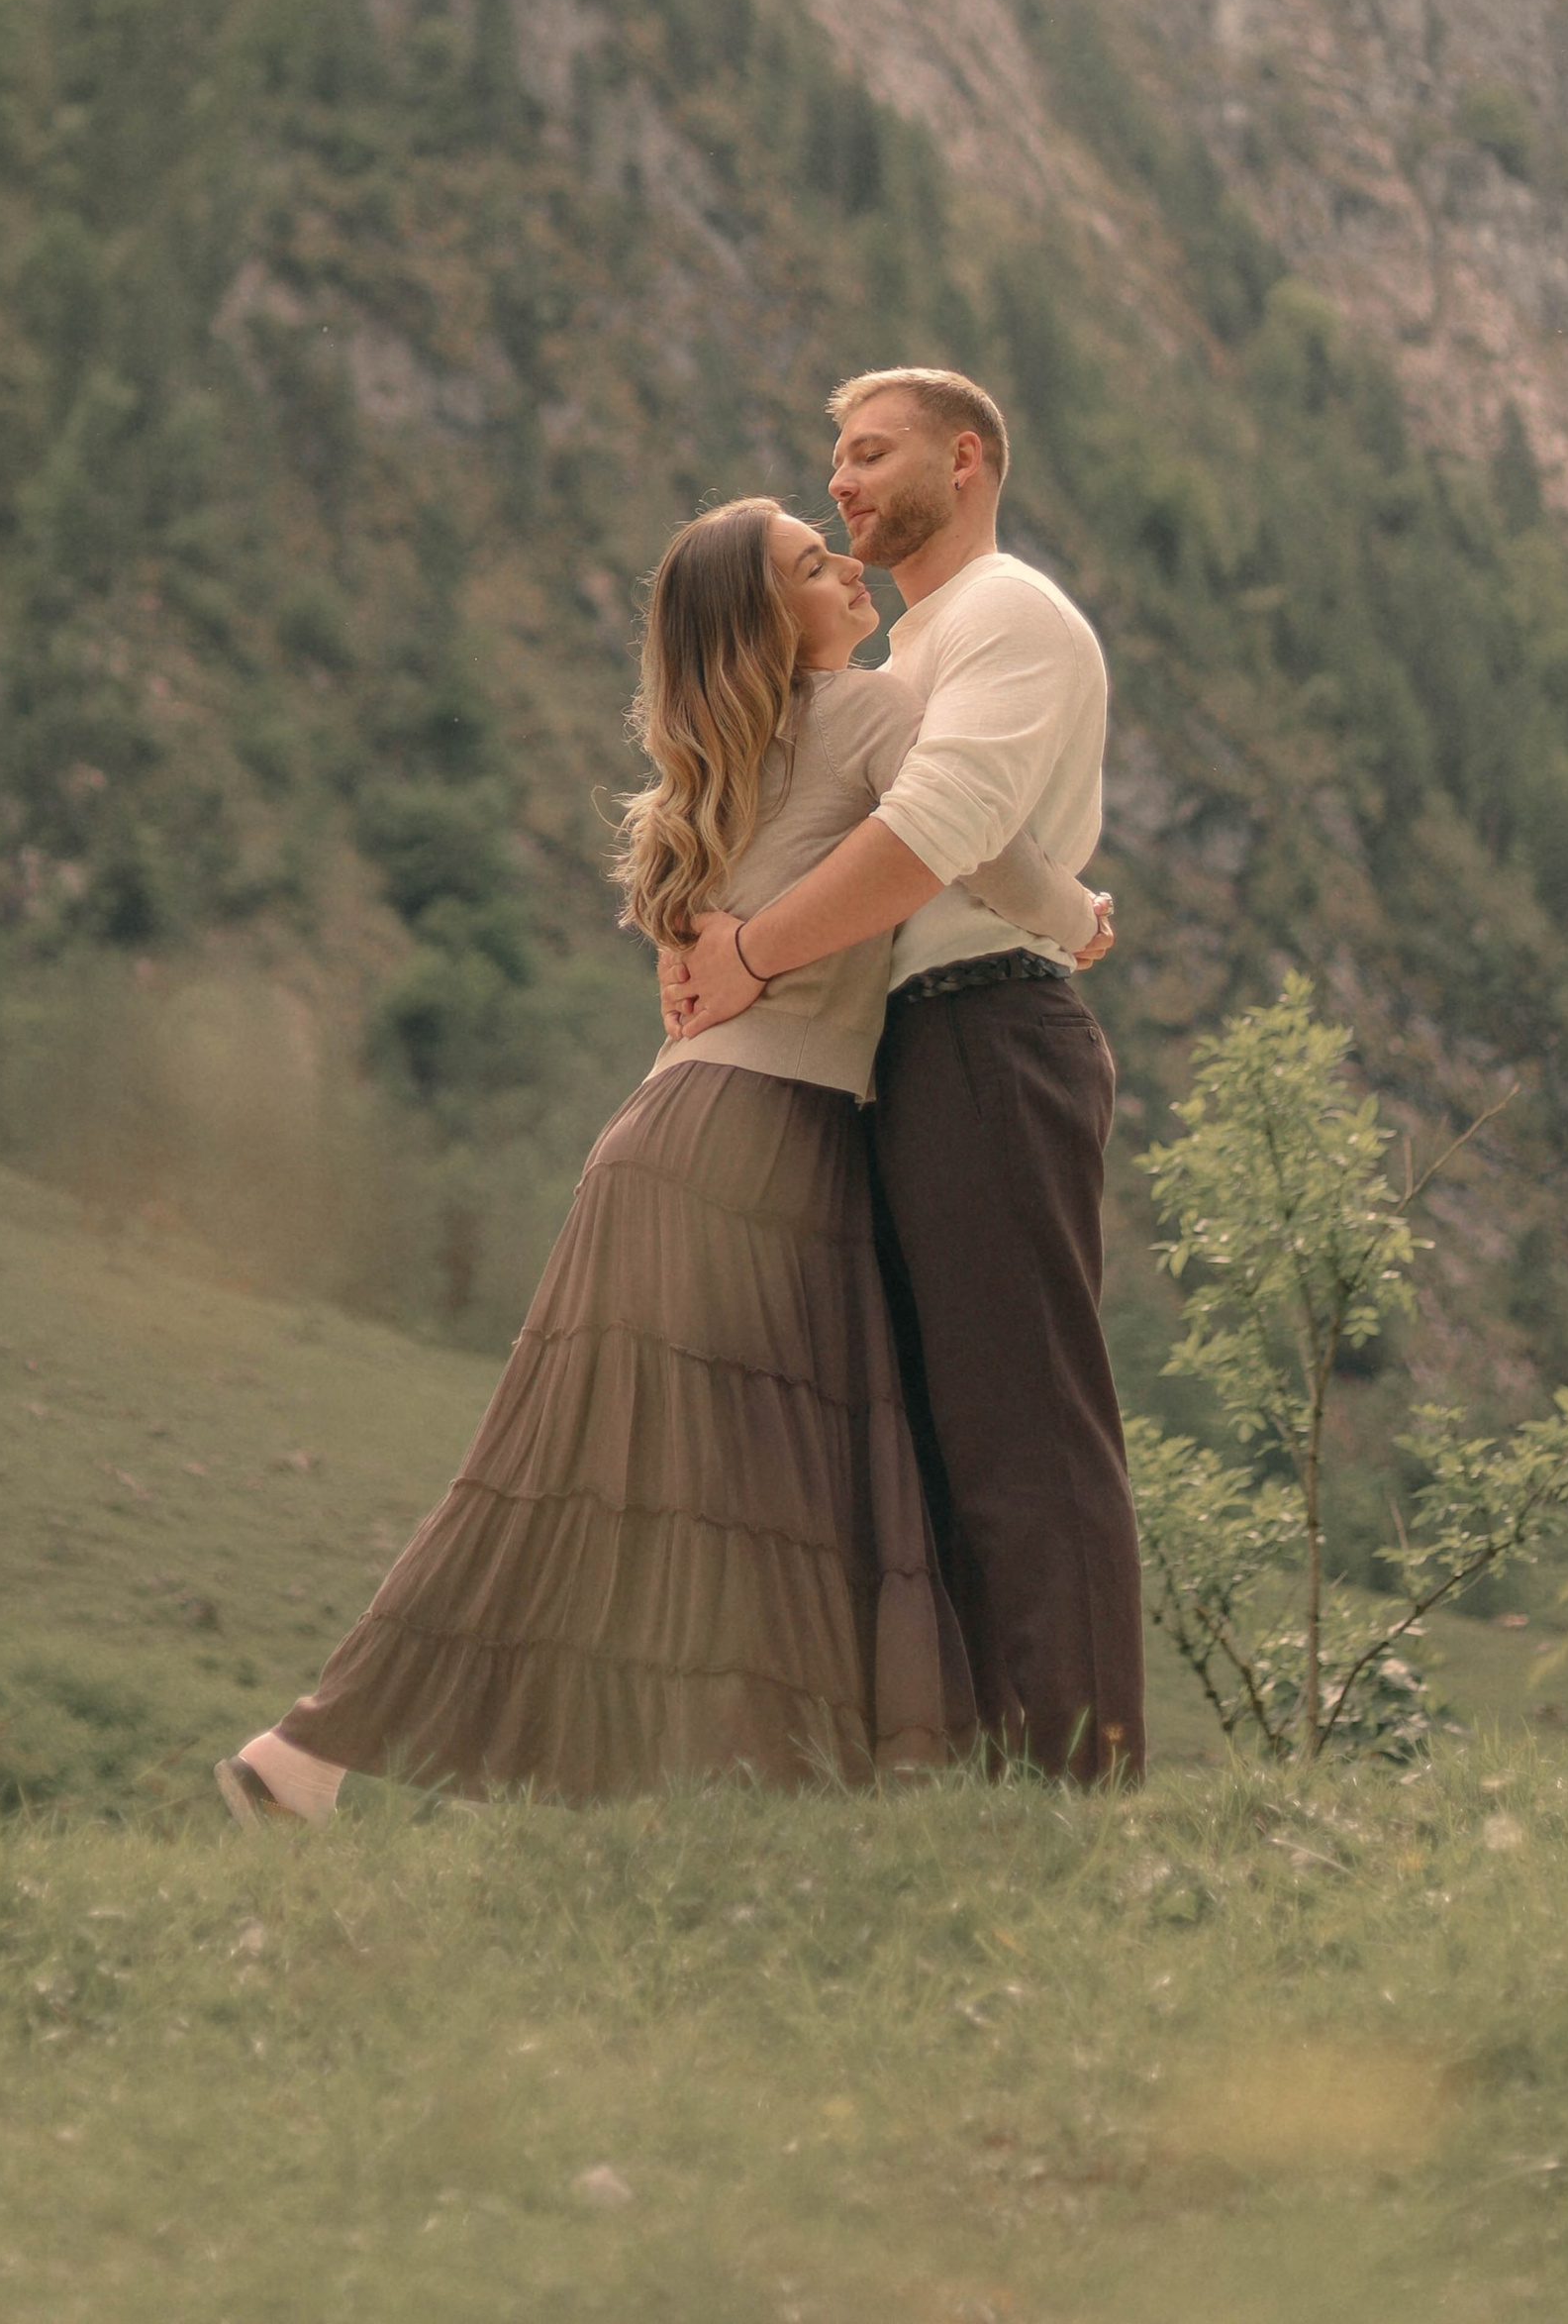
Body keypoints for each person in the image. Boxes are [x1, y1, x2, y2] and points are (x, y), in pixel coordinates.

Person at [216, 495, 1108, 1825]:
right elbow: (983, 848)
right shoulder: (866, 717)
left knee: (582, 1480)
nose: (849, 566)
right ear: (770, 620)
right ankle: (815, 1788)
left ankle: (328, 1760)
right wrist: (1083, 921)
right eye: (816, 566)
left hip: (658, 1145)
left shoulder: (705, 783)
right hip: (766, 1148)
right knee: (785, 1490)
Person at [662, 370, 1145, 1786]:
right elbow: (955, 836)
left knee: (1029, 1432)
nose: (843, 484)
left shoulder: (1006, 612)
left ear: (968, 457)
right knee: (945, 1442)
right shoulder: (912, 653)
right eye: (836, 461)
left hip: (988, 1031)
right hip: (923, 1040)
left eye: (870, 454)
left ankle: (1081, 1788)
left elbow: (937, 828)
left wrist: (748, 954)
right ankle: (994, 1777)